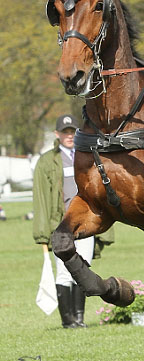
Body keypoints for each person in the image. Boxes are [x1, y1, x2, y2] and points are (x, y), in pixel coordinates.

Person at [33, 114, 113, 328]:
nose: (69, 136)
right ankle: (67, 320)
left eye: (72, 132)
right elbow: (40, 198)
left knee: (83, 266)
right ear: (57, 135)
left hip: (84, 222)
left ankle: (79, 318)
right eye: (65, 132)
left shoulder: (86, 155)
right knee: (63, 272)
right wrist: (43, 232)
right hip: (61, 225)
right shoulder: (47, 161)